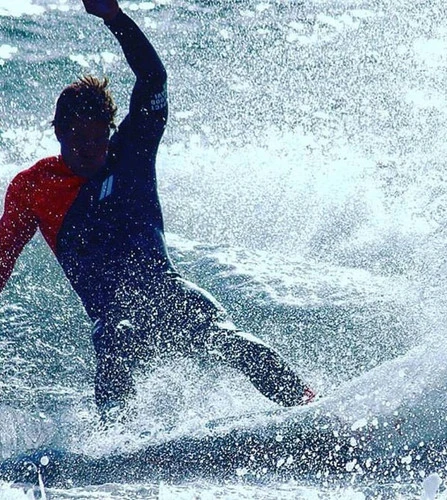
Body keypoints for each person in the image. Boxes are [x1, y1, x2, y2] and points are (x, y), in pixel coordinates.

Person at [0, 0, 315, 422]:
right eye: (78, 139)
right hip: (112, 314)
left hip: (165, 291)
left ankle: (311, 407)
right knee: (115, 336)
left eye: (98, 138)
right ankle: (117, 445)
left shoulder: (131, 151)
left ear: (110, 131)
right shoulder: (33, 188)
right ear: (57, 131)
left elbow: (153, 78)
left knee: (229, 339)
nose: (90, 150)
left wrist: (114, 18)